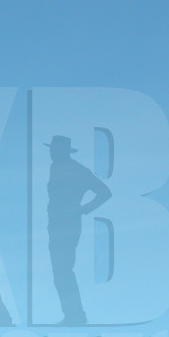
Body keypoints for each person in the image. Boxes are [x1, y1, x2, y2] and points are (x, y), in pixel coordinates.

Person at [45, 135, 111, 325]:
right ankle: (72, 315)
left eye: (55, 150)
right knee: (60, 271)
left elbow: (105, 192)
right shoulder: (55, 167)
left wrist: (83, 209)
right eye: (51, 149)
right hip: (56, 223)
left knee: (63, 269)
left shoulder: (77, 170)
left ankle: (75, 315)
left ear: (63, 151)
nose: (52, 153)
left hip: (67, 224)